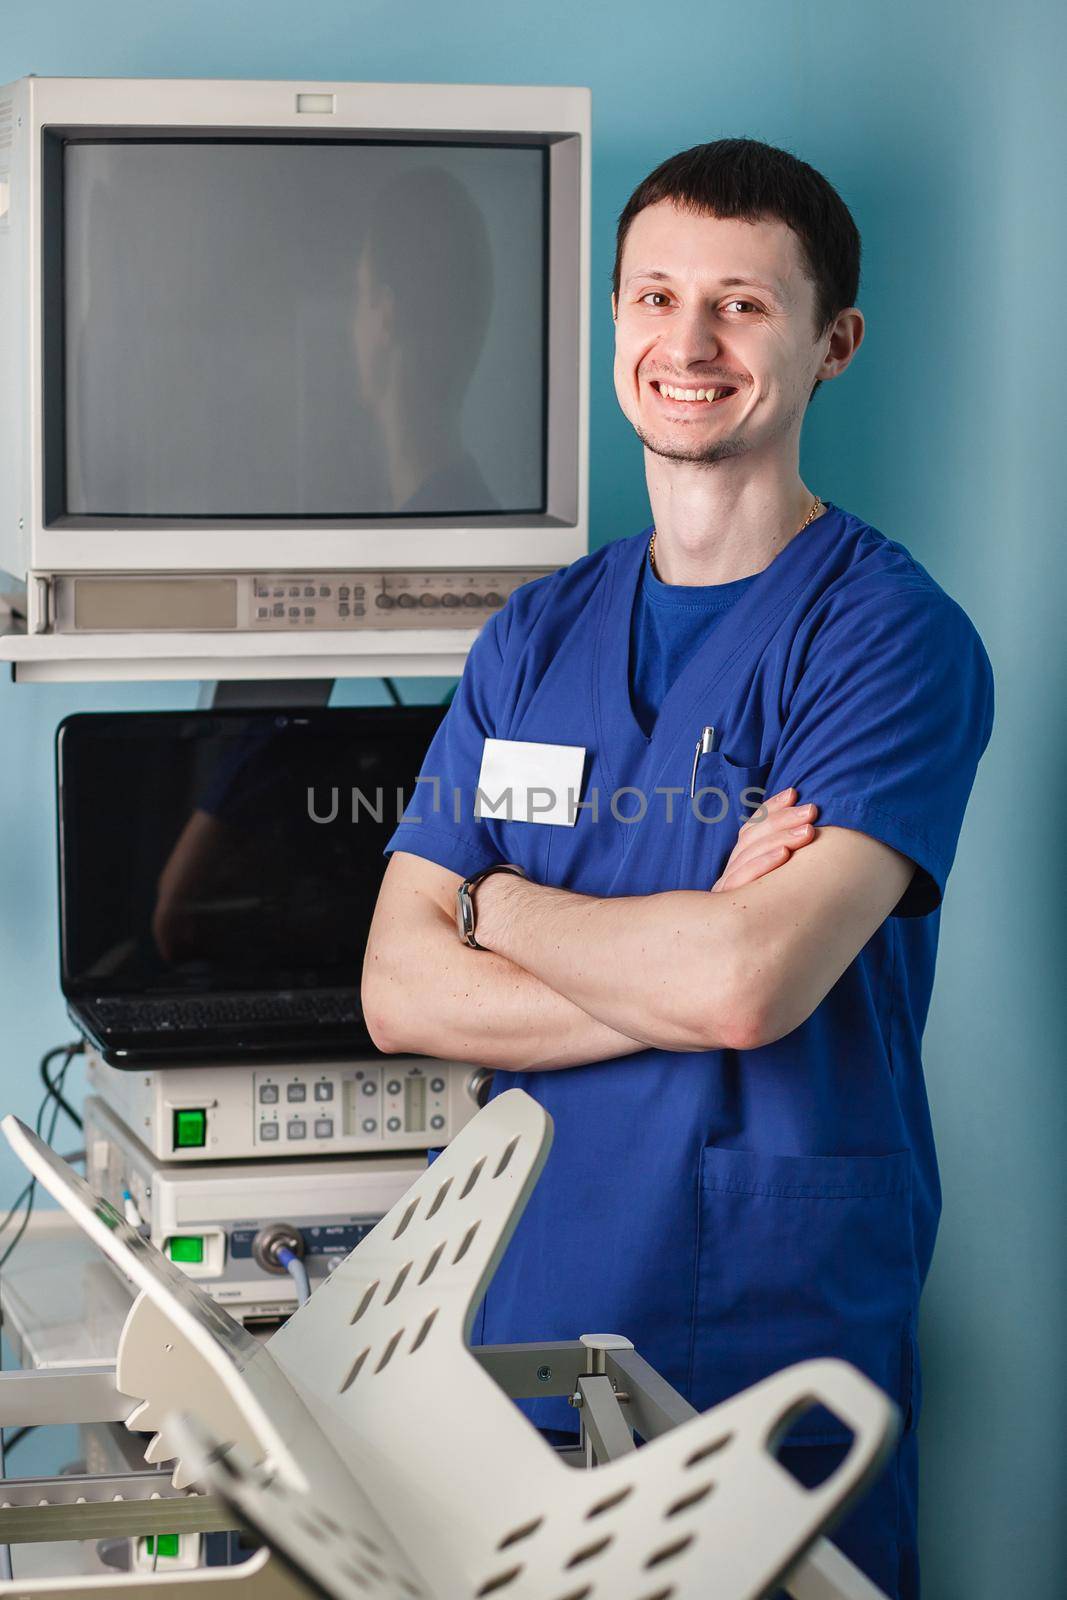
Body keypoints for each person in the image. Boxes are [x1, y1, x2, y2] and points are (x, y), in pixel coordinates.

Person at [361, 137, 995, 1599]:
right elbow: (398, 989)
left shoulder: (887, 640)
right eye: (653, 297)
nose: (687, 344)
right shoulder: (533, 637)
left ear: (833, 343)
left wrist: (495, 904)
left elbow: (747, 982)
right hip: (524, 1321)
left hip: (770, 1337)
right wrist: (699, 939)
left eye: (743, 306)